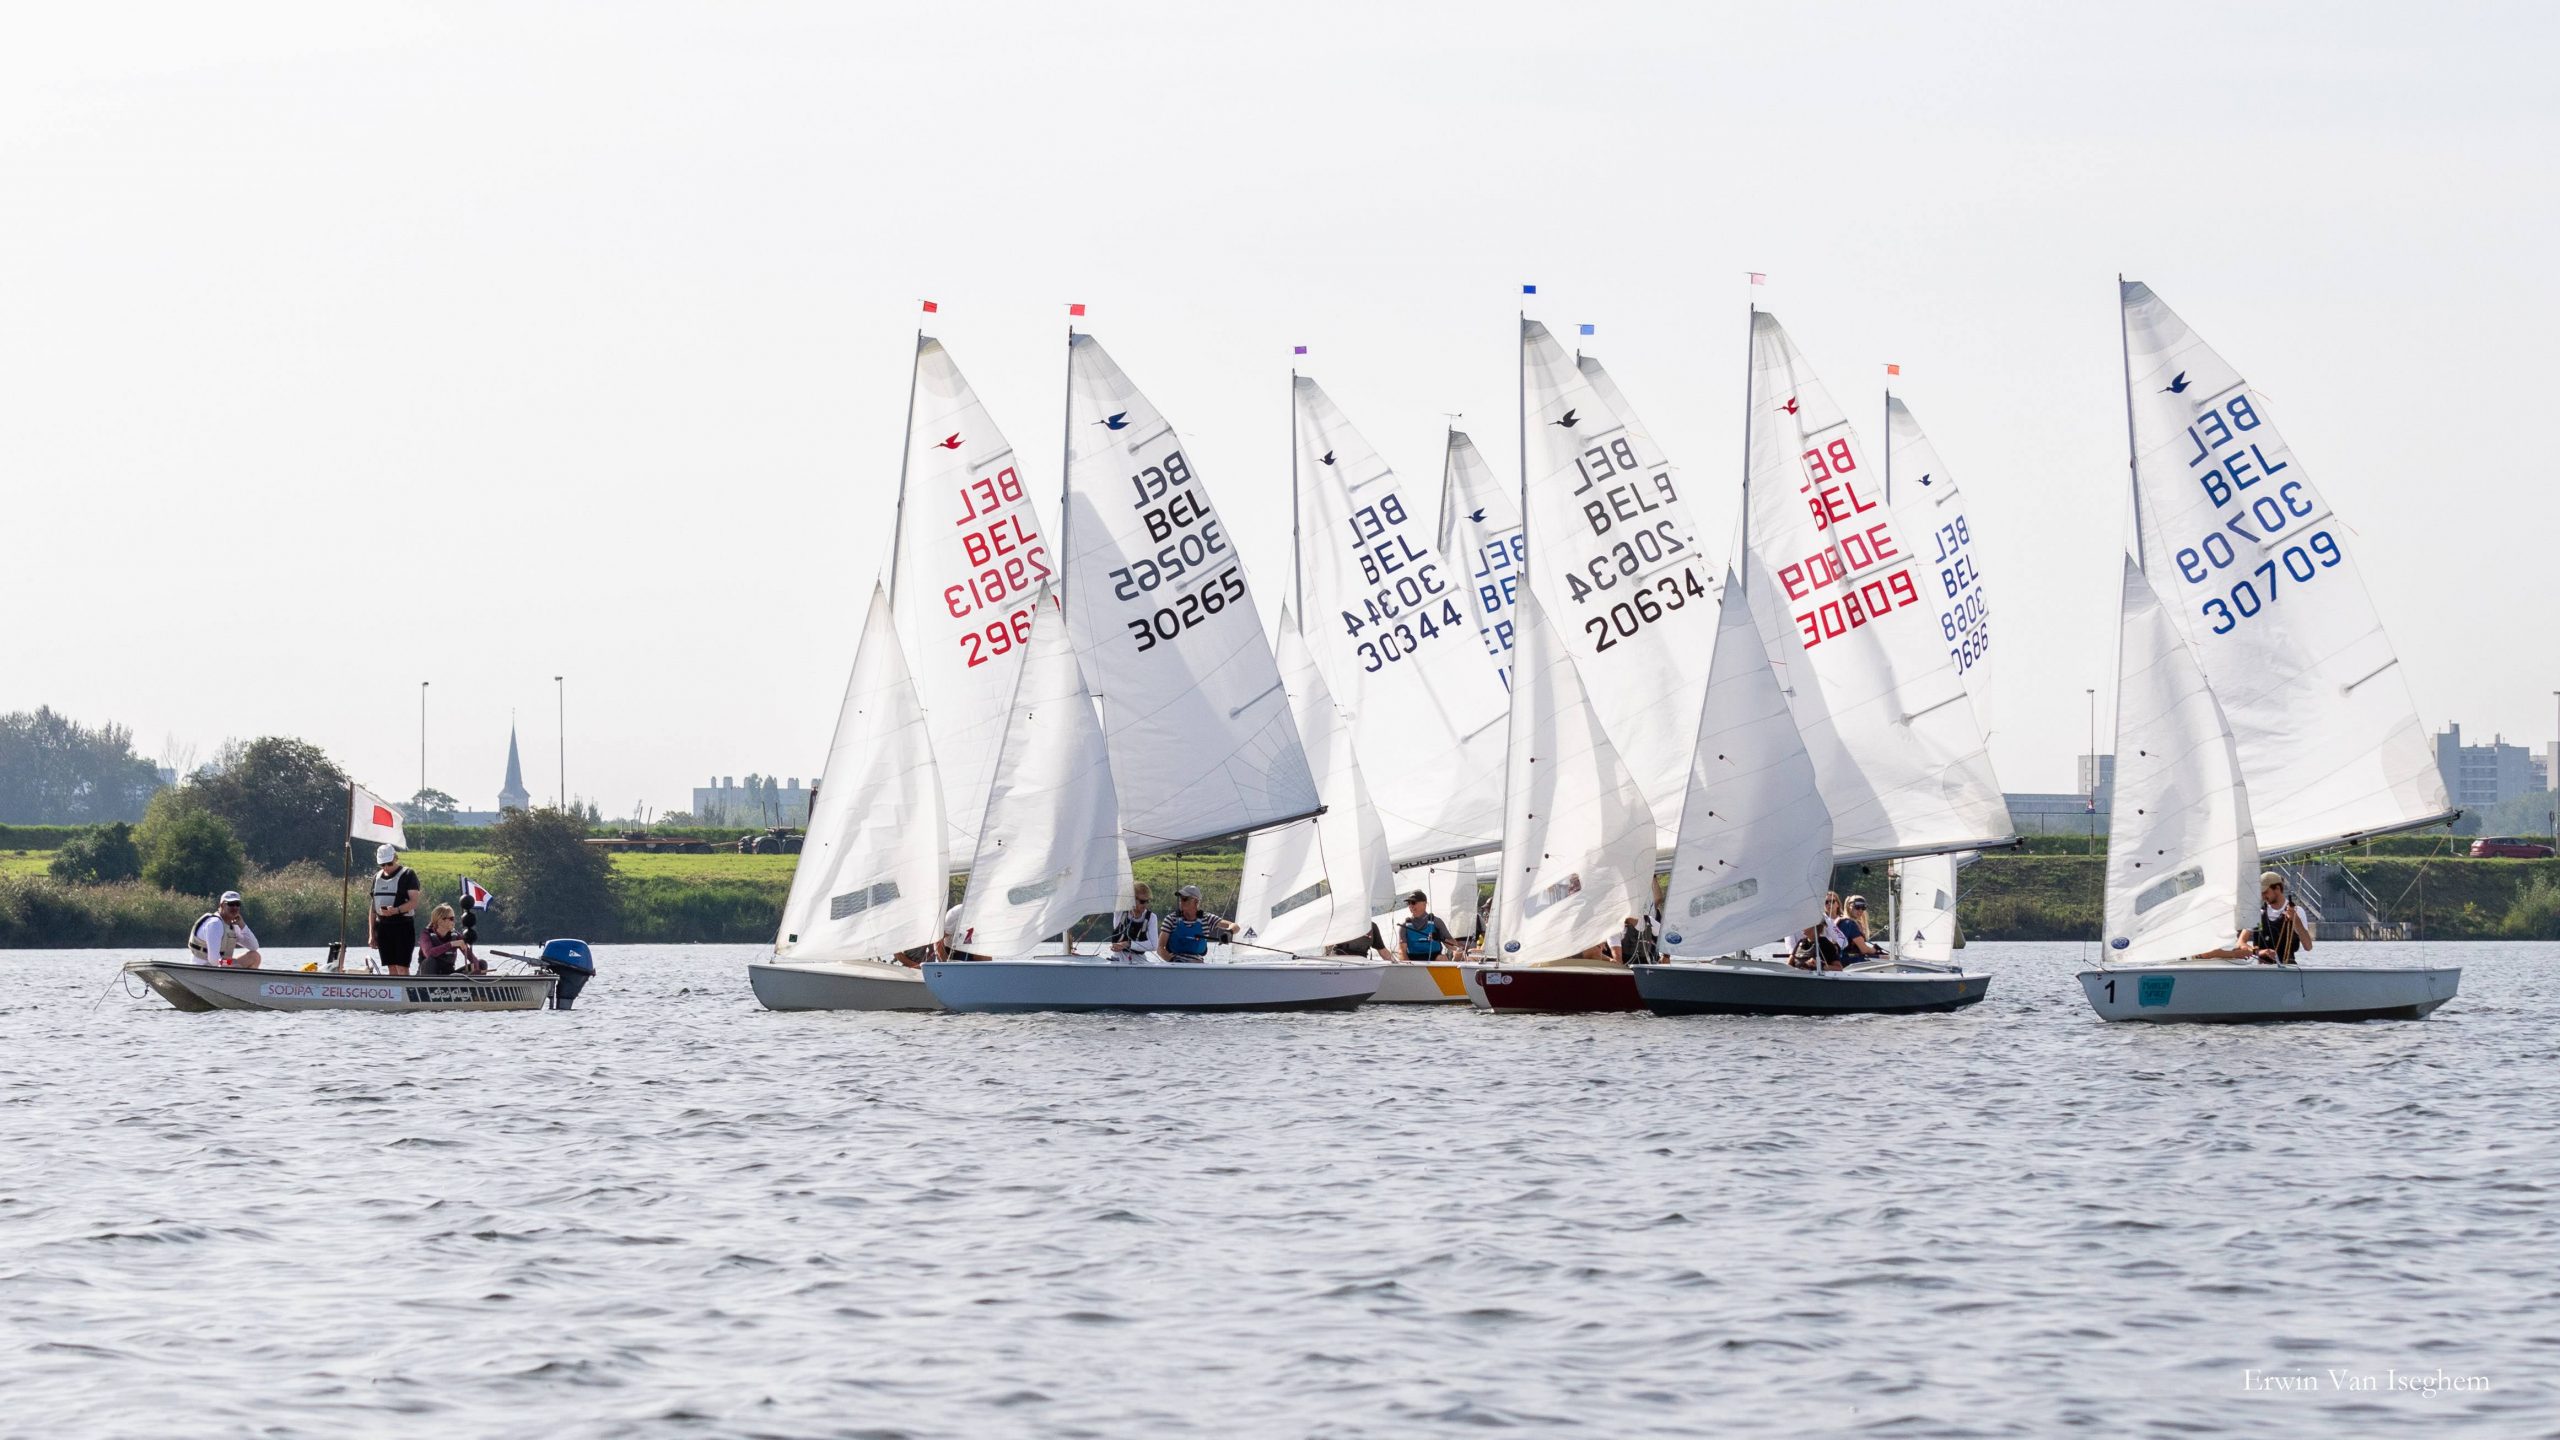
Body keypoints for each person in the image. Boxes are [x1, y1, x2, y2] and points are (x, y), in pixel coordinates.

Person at [367, 844, 421, 975]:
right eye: (382, 864)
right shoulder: (376, 878)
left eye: (389, 863)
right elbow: (373, 908)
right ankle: (395, 993)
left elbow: (414, 902)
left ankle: (405, 992)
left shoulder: (408, 874)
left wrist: (396, 910)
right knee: (391, 967)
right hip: (383, 927)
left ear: (396, 858)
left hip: (403, 926)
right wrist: (371, 933)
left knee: (402, 967)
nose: (386, 867)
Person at [1158, 884, 1234, 962]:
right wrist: (1173, 961)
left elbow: (1234, 926)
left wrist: (1229, 933)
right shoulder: (1170, 919)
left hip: (1197, 965)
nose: (1181, 902)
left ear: (1196, 902)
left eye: (1185, 899)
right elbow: (1160, 948)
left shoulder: (1207, 918)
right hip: (1175, 964)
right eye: (1180, 899)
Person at [187, 890, 263, 968]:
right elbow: (214, 960)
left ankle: (244, 980)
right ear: (222, 905)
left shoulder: (234, 925)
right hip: (204, 967)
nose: (235, 907)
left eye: (237, 904)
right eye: (231, 904)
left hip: (220, 966)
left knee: (255, 957)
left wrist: (242, 924)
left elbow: (254, 946)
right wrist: (232, 965)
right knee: (236, 965)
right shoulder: (215, 924)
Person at [2252, 871, 2314, 964]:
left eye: (2265, 892)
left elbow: (2308, 947)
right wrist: (2262, 952)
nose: (2263, 896)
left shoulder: (2297, 911)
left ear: (2277, 888)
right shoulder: (2258, 913)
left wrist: (2295, 920)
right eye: (2261, 893)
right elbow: (2241, 943)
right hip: (2263, 970)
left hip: (2288, 970)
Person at [416, 904, 479, 977]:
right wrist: (451, 944)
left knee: (481, 964)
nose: (454, 921)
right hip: (428, 973)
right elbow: (429, 953)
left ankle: (473, 987)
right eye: (451, 918)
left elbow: (471, 957)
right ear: (440, 921)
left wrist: (477, 968)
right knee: (430, 961)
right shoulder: (426, 934)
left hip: (448, 974)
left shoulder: (456, 935)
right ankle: (430, 987)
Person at [1396, 891, 1455, 963]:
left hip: (1435, 959)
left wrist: (1441, 938)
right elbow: (1402, 952)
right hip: (1413, 962)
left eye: (1413, 902)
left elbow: (1453, 945)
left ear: (1424, 904)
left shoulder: (1436, 922)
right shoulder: (1404, 926)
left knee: (1442, 958)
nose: (1411, 906)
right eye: (1409, 903)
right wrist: (1409, 966)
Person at [1111, 883, 1160, 957]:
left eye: (1147, 901)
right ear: (1132, 900)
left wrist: (1128, 944)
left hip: (1140, 962)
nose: (1145, 905)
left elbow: (1153, 945)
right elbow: (1115, 893)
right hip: (1117, 960)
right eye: (1142, 901)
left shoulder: (1152, 917)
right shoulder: (1120, 912)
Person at [1836, 895, 1884, 964]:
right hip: (1849, 960)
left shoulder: (1844, 921)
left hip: (1846, 959)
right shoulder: (1849, 924)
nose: (1860, 910)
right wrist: (1874, 950)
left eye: (1863, 908)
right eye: (1857, 907)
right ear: (1849, 907)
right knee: (1887, 958)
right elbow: (1863, 949)